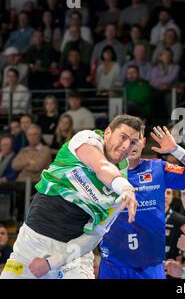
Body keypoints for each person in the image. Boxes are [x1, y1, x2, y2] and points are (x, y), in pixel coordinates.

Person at [0, 115, 140, 279]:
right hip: (31, 244)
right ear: (108, 132)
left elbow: (93, 236)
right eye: (123, 137)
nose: (126, 146)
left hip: (73, 258)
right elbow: (101, 167)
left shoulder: (121, 192)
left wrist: (52, 263)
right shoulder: (87, 140)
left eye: (132, 142)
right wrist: (125, 187)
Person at [99, 126, 185, 279]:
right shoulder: (101, 172)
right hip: (113, 265)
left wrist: (175, 149)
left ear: (143, 142)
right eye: (125, 139)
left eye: (136, 140)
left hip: (150, 267)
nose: (131, 145)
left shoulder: (158, 168)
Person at [165, 188, 185, 262]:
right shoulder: (147, 219)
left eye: (169, 193)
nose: (165, 196)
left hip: (171, 270)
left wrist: (183, 263)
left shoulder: (180, 222)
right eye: (161, 191)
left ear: (172, 196)